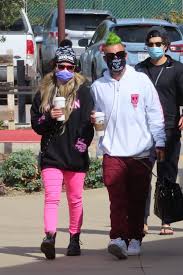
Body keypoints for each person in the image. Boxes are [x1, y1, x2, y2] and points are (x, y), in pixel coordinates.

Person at [90, 32, 165, 259]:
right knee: (117, 198)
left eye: (120, 54)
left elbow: (154, 113)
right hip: (112, 151)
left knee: (137, 198)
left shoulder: (140, 80)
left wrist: (160, 141)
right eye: (111, 55)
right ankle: (117, 238)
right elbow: (95, 114)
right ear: (104, 58)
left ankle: (134, 238)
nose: (116, 59)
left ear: (126, 55)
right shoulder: (98, 86)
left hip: (140, 152)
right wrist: (94, 120)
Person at [31, 40, 94, 259]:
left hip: (75, 156)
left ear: (75, 68)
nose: (65, 71)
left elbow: (88, 125)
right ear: (54, 66)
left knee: (75, 199)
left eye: (70, 67)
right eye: (61, 66)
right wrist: (49, 117)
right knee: (51, 198)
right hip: (52, 154)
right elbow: (36, 125)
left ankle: (74, 239)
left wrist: (81, 146)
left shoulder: (83, 92)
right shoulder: (43, 92)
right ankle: (49, 237)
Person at [135, 27, 183, 235]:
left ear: (166, 46)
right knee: (143, 176)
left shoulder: (178, 68)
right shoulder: (139, 69)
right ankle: (141, 220)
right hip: (145, 132)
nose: (154, 48)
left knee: (167, 176)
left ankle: (167, 220)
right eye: (151, 44)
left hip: (170, 129)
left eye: (158, 44)